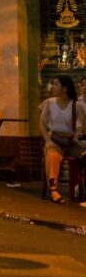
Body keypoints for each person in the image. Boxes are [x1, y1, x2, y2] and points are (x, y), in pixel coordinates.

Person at [40, 75, 86, 204]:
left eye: (56, 84)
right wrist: (47, 141)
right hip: (55, 141)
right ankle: (53, 190)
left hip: (71, 143)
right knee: (52, 156)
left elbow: (82, 127)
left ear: (65, 88)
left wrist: (78, 132)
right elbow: (42, 124)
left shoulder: (76, 105)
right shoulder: (49, 103)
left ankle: (81, 189)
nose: (52, 87)